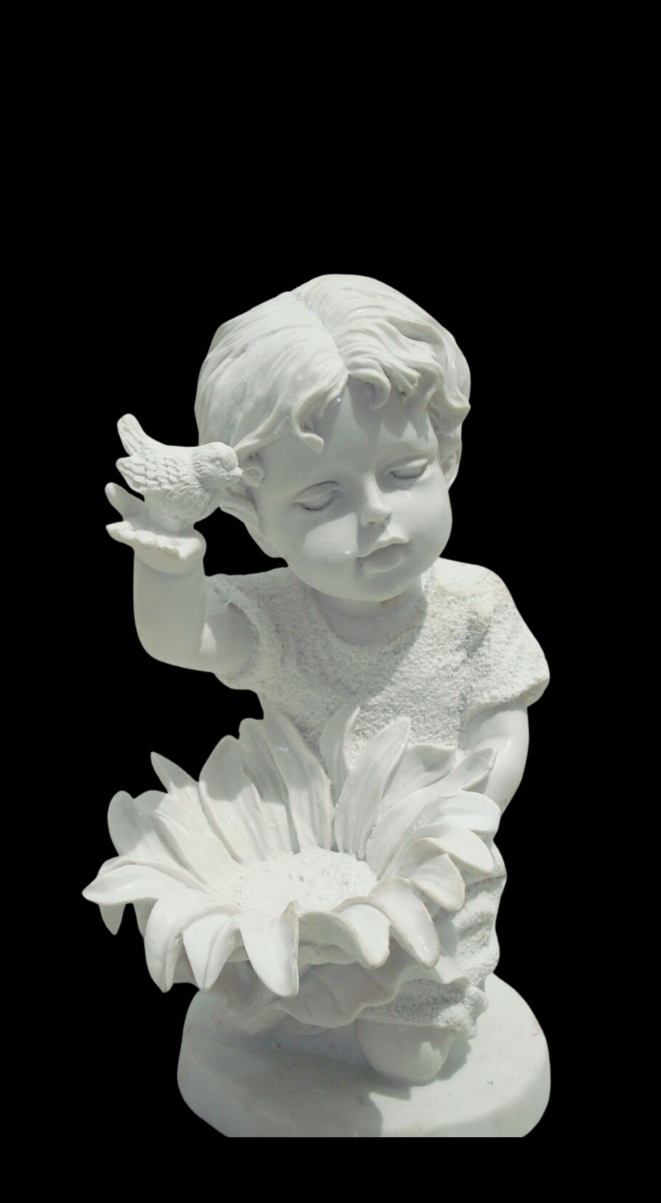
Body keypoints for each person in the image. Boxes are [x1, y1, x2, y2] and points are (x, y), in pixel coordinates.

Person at [105, 274, 550, 1082]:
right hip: (298, 865)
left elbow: (500, 723)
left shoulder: (473, 604)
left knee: (409, 1060)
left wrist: (463, 820)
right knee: (256, 1019)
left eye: (404, 472)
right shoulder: (278, 614)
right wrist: (169, 554)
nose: (375, 513)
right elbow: (179, 638)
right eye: (320, 500)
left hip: (433, 874)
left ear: (448, 458)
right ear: (257, 519)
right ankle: (294, 994)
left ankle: (406, 1003)